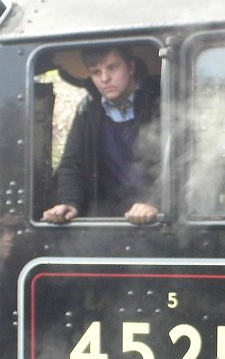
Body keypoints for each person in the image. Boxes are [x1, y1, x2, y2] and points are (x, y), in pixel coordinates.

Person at [42, 45, 161, 225]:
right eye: (96, 72)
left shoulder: (160, 102)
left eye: (112, 68)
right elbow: (72, 163)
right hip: (109, 218)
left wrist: (156, 203)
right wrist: (69, 202)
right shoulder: (88, 110)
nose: (105, 78)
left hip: (156, 220)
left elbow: (180, 162)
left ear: (130, 67)